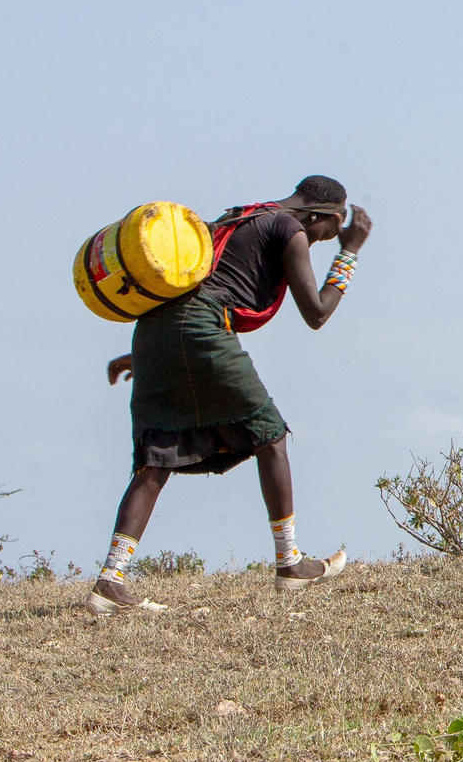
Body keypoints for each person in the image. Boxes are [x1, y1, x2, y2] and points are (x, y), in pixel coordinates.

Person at [91, 176, 373, 614]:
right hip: (201, 328)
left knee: (156, 458)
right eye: (331, 229)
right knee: (270, 435)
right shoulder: (289, 229)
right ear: (319, 215)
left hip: (155, 331)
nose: (325, 238)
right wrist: (350, 252)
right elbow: (317, 313)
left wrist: (141, 356)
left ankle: (110, 581)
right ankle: (289, 564)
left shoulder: (241, 215)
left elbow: (189, 294)